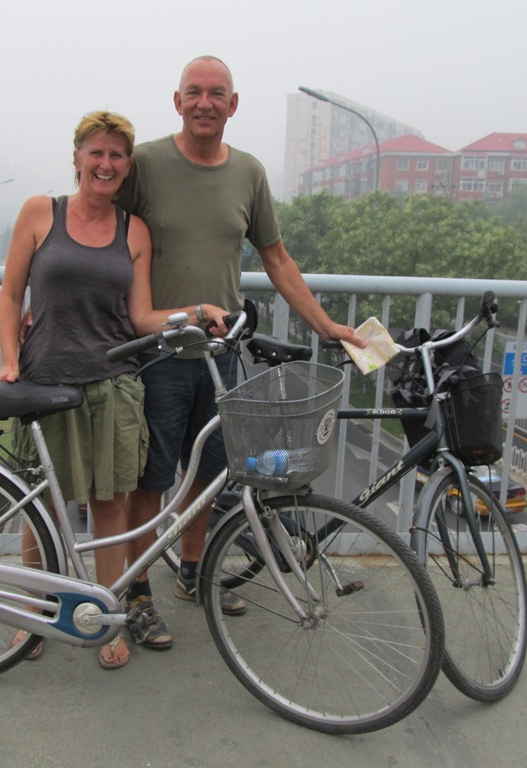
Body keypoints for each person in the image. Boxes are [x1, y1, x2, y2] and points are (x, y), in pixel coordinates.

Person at [118, 56, 363, 650]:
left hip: (219, 355)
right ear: (177, 101)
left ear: (233, 104)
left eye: (216, 93)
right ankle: (137, 592)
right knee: (149, 480)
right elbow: (98, 228)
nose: (204, 103)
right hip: (157, 354)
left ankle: (193, 572)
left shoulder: (248, 173)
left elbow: (276, 258)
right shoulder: (145, 164)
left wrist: (326, 324)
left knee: (208, 475)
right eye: (194, 92)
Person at [0, 110, 229, 669]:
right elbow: (10, 296)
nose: (106, 163)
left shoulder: (132, 230)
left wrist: (197, 311)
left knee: (111, 505)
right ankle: (35, 615)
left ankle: (105, 617)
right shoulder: (40, 213)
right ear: (77, 158)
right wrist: (10, 362)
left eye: (117, 155)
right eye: (96, 152)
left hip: (114, 384)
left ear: (127, 165)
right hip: (46, 379)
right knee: (43, 506)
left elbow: (141, 318)